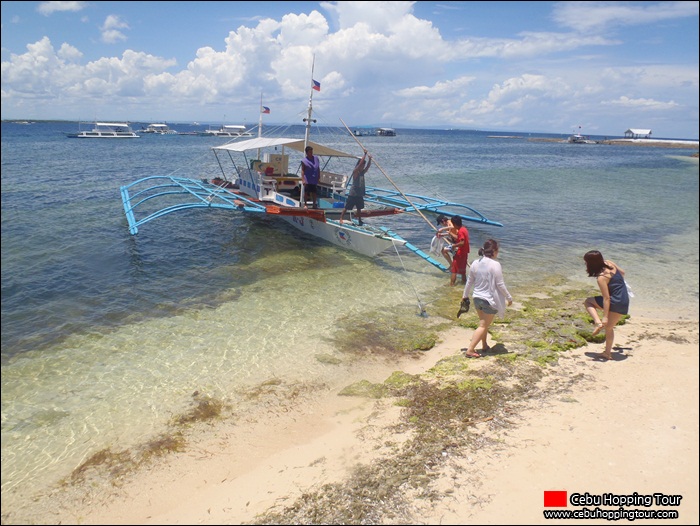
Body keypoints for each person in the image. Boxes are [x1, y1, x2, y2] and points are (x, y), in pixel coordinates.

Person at [461, 239, 513, 358]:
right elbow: (500, 284)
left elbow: (469, 282)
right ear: (494, 251)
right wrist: (509, 297)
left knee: (483, 324)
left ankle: (484, 345)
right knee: (483, 325)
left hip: (477, 298)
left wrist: (464, 296)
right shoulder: (495, 264)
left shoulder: (475, 262)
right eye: (497, 251)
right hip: (488, 300)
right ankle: (470, 350)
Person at [583, 250, 629, 360]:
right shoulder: (610, 263)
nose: (585, 264)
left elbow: (606, 298)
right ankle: (607, 353)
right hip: (624, 300)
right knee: (609, 328)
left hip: (614, 301)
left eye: (586, 262)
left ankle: (598, 323)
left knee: (588, 301)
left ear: (591, 263)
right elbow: (622, 273)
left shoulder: (601, 278)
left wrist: (605, 316)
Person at [340, 150, 371, 225]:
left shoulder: (362, 172)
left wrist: (369, 159)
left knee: (359, 208)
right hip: (353, 193)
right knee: (347, 207)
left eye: (363, 166)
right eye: (362, 165)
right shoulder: (355, 171)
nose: (363, 167)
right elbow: (360, 163)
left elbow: (367, 167)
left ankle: (360, 220)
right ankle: (341, 218)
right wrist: (365, 154)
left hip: (359, 194)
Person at [449, 215, 470, 286]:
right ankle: (464, 284)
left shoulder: (460, 231)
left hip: (460, 253)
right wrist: (451, 234)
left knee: (454, 270)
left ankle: (451, 285)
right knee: (462, 270)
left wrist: (453, 245)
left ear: (454, 224)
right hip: (465, 253)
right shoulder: (464, 229)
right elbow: (459, 238)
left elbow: (462, 242)